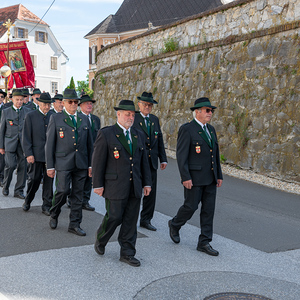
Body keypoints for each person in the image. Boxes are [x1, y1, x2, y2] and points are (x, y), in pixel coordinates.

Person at [92, 100, 152, 267]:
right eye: (127, 114)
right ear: (118, 114)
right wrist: (97, 184)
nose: (130, 117)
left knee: (131, 220)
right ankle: (101, 238)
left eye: (133, 115)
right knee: (114, 216)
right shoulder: (107, 134)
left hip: (135, 185)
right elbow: (98, 161)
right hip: (115, 185)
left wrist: (147, 183)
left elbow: (143, 162)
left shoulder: (138, 135)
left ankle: (127, 252)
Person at [168, 97, 223, 256]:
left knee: (209, 210)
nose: (210, 113)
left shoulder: (211, 130)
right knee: (190, 206)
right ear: (197, 112)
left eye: (211, 110)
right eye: (207, 110)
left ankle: (204, 242)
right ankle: (175, 224)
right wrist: (185, 177)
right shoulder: (187, 129)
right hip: (194, 177)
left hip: (210, 178)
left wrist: (218, 175)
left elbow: (215, 154)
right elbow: (181, 155)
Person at [45, 88, 93, 236]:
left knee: (78, 195)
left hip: (81, 163)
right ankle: (54, 213)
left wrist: (91, 165)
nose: (73, 104)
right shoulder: (56, 118)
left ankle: (75, 224)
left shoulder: (84, 119)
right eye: (70, 102)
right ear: (64, 103)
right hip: (63, 162)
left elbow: (90, 144)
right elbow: (50, 144)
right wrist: (50, 166)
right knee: (63, 190)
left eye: (75, 102)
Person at [132, 92, 167, 231]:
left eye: (150, 105)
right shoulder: (133, 118)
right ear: (139, 104)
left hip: (151, 161)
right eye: (145, 104)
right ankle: (131, 219)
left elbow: (159, 139)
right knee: (135, 191)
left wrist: (163, 158)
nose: (147, 107)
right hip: (137, 161)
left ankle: (146, 219)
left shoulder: (154, 119)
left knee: (150, 193)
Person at [22, 92, 54, 215]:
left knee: (49, 181)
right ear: (39, 103)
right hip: (35, 155)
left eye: (49, 104)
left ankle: (46, 205)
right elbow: (26, 136)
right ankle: (28, 200)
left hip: (50, 156)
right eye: (45, 104)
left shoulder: (53, 116)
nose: (47, 106)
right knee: (34, 179)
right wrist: (28, 153)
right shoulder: (31, 116)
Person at [0, 89, 30, 198]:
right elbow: (2, 130)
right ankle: (6, 186)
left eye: (21, 99)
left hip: (23, 145)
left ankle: (19, 190)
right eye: (17, 99)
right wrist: (1, 146)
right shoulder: (6, 111)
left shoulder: (27, 112)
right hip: (9, 143)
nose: (19, 101)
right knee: (11, 165)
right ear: (12, 99)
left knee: (23, 167)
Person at [78, 94, 100, 211]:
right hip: (81, 152)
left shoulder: (96, 119)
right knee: (79, 176)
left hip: (93, 152)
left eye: (91, 103)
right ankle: (74, 199)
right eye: (87, 103)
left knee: (89, 177)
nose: (89, 105)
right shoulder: (78, 118)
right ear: (80, 105)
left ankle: (85, 200)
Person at [0, 89, 7, 186]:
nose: (0, 98)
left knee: (2, 158)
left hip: (3, 135)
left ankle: (1, 177)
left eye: (2, 97)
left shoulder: (5, 109)